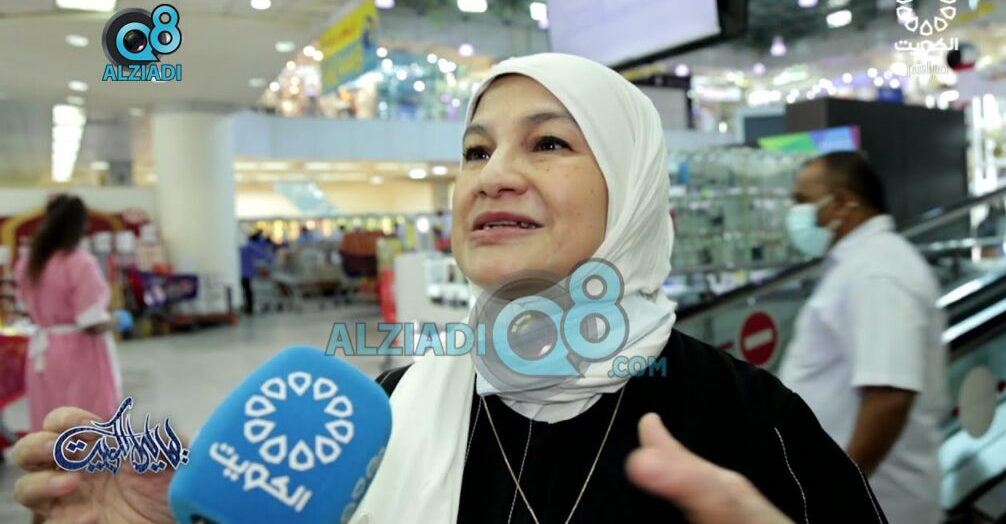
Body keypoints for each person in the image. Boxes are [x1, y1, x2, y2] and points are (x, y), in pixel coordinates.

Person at [13, 54, 886, 523]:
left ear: (631, 192)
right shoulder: (380, 414)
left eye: (548, 143)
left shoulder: (751, 424)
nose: (491, 175)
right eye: (475, 151)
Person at [779, 152, 947, 524]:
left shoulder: (879, 274)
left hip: (878, 506)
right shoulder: (862, 265)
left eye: (803, 201)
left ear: (842, 202)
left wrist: (840, 495)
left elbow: (889, 397)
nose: (795, 214)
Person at [13, 195, 122, 433]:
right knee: (85, 418)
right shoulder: (80, 264)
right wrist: (116, 320)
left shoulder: (28, 263)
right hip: (79, 353)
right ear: (81, 225)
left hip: (43, 351)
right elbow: (90, 322)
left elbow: (26, 309)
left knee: (50, 418)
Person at [239, 230, 273, 315]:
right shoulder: (250, 246)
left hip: (243, 271)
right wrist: (272, 260)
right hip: (246, 271)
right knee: (247, 289)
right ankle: (249, 308)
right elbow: (263, 254)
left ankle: (248, 307)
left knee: (245, 289)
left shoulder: (245, 246)